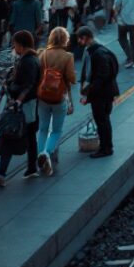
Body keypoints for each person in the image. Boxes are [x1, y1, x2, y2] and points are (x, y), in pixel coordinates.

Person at [0, 31, 40, 186]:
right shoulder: (32, 59)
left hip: (21, 107)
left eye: (15, 43)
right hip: (30, 106)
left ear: (21, 44)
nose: (13, 46)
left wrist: (13, 93)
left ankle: (1, 174)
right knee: (30, 138)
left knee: (8, 136)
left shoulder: (27, 61)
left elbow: (27, 85)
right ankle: (32, 167)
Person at [35, 27, 76, 176]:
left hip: (43, 96)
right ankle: (47, 153)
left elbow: (38, 74)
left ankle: (40, 154)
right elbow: (72, 78)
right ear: (65, 40)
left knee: (43, 128)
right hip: (59, 97)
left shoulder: (42, 54)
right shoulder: (68, 56)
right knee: (57, 130)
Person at [77, 27, 119, 158]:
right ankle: (106, 146)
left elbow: (102, 75)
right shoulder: (99, 50)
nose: (79, 41)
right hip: (106, 92)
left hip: (101, 94)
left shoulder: (97, 53)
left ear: (86, 37)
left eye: (80, 38)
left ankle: (106, 148)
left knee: (102, 120)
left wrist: (89, 91)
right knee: (103, 120)